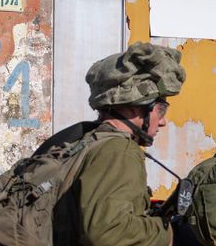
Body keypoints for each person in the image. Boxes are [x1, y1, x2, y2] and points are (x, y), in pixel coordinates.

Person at [39, 41, 185, 246]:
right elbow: (107, 233)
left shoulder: (80, 138)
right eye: (161, 109)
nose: (163, 121)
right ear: (137, 108)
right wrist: (168, 233)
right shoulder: (119, 151)